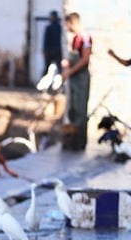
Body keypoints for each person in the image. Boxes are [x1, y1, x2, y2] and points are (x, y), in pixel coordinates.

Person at [61, 12, 92, 151]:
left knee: (80, 110)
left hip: (80, 78)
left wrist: (70, 71)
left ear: (73, 23)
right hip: (73, 78)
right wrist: (66, 64)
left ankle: (79, 142)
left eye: (68, 24)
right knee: (72, 109)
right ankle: (71, 139)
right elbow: (73, 57)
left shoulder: (85, 37)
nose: (67, 27)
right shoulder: (75, 38)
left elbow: (85, 59)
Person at [41, 11, 62, 76]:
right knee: (58, 68)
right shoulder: (59, 27)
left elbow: (46, 40)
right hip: (56, 50)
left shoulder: (51, 27)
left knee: (48, 68)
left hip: (51, 51)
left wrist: (45, 50)